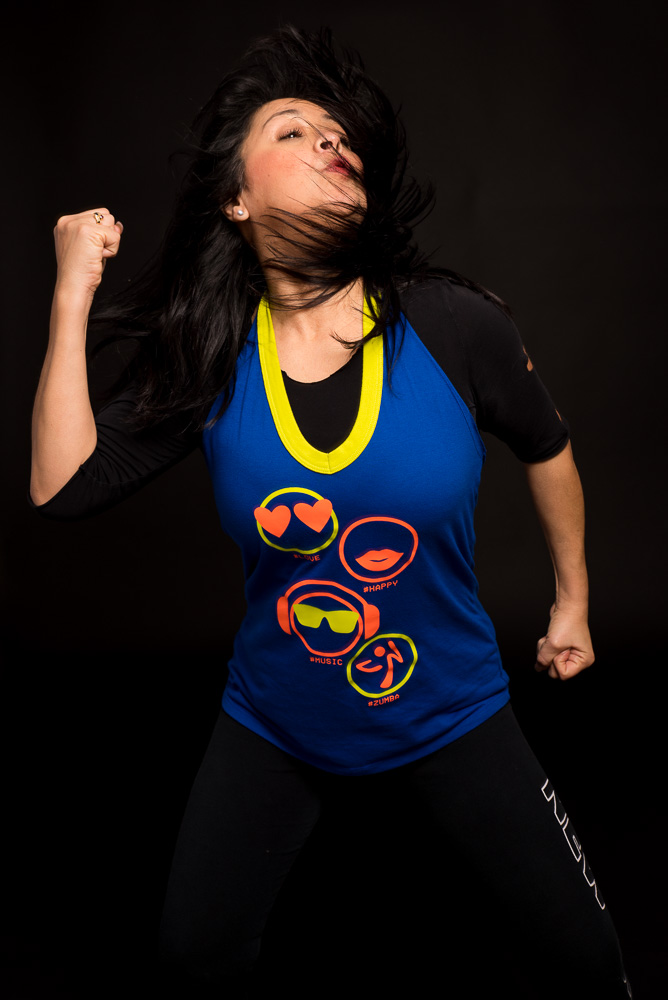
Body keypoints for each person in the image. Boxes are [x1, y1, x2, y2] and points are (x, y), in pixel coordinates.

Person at [29, 25, 632, 998]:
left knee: (586, 964)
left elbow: (546, 442)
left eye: (336, 133)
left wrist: (572, 602)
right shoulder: (214, 359)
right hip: (277, 721)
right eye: (291, 130)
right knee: (191, 960)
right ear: (235, 199)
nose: (328, 140)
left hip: (452, 708)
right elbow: (61, 487)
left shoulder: (451, 324)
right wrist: (72, 291)